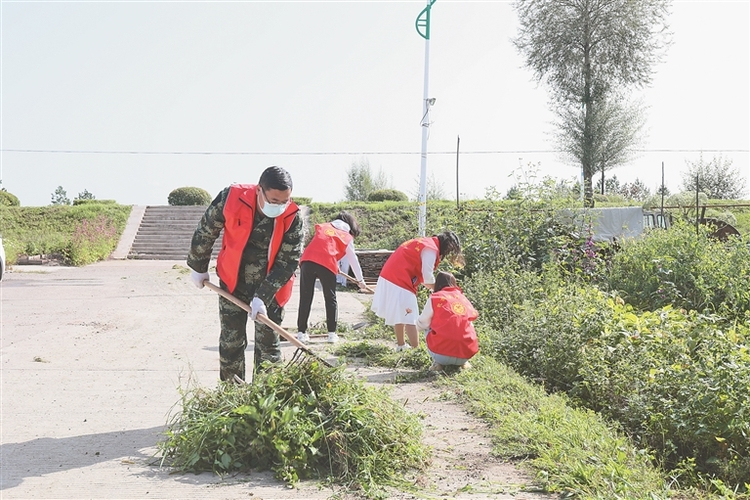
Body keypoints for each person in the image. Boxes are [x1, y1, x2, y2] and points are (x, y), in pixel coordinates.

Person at [187, 166, 303, 382]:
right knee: (232, 342)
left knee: (269, 346)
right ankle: (233, 397)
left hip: (271, 291)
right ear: (259, 190)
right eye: (274, 201)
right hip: (233, 283)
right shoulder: (232, 198)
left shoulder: (293, 217)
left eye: (284, 201)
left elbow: (288, 262)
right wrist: (198, 266)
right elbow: (206, 229)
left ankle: (267, 398)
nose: (279, 206)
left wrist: (263, 296)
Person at [370, 231, 463, 351]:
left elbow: (424, 277)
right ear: (447, 246)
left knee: (400, 313)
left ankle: (401, 345)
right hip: (400, 279)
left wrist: (434, 288)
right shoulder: (431, 249)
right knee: (410, 316)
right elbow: (427, 276)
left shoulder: (425, 242)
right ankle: (415, 350)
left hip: (390, 275)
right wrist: (441, 290)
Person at [296, 211, 368, 344]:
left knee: (305, 297)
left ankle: (301, 333)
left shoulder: (324, 227)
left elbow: (321, 246)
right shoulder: (346, 236)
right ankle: (331, 334)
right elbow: (353, 259)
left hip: (307, 261)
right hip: (326, 263)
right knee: (330, 299)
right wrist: (360, 280)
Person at [416, 271, 479, 371]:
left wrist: (414, 328)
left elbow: (422, 323)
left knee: (426, 326)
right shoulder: (462, 298)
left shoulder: (435, 297)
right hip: (466, 354)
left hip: (441, 355)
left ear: (437, 284)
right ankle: (463, 363)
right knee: (467, 324)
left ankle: (438, 364)